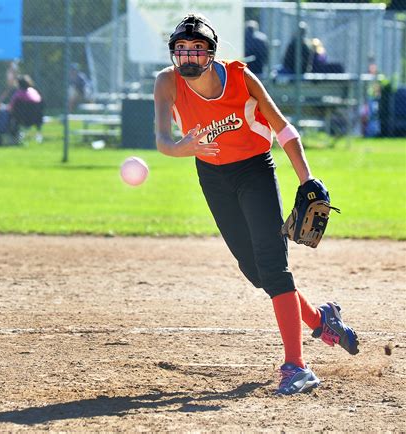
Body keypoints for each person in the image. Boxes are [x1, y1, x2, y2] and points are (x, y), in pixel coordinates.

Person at [153, 13, 359, 395]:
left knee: (273, 264)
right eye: (181, 50)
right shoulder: (166, 83)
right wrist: (182, 149)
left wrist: (307, 179)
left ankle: (296, 366)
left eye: (197, 49)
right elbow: (163, 140)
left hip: (254, 171)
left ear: (211, 52)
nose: (188, 57)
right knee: (256, 271)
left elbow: (282, 128)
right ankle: (321, 320)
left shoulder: (240, 77)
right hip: (212, 177)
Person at [8, 74, 44, 143]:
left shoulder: (18, 94)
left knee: (7, 115)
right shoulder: (34, 92)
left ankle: (13, 139)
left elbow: (11, 107)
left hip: (21, 118)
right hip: (36, 118)